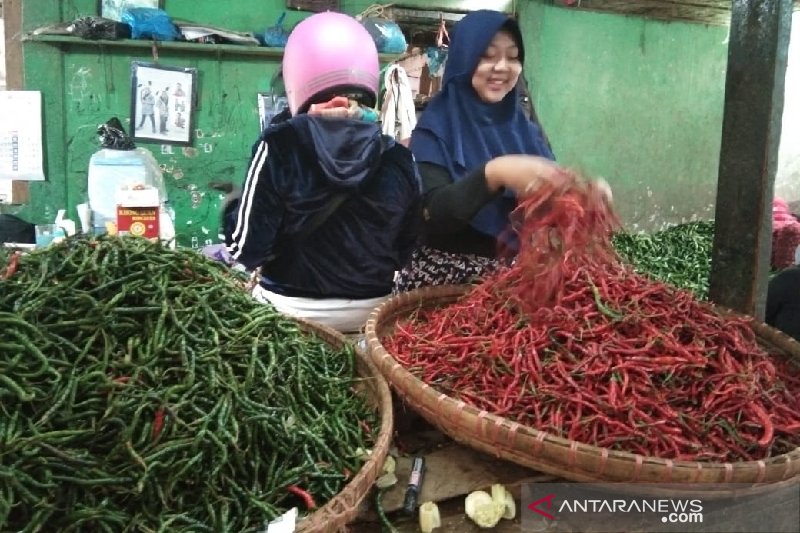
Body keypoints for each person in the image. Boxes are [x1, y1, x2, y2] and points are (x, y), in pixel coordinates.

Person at [224, 12, 422, 333]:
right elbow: (405, 249)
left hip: (290, 314)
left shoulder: (279, 145)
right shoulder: (399, 158)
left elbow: (248, 251)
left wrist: (232, 210)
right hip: (372, 318)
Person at [394, 10, 588, 292]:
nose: (502, 67)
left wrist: (579, 196)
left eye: (513, 56)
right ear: (465, 58)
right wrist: (495, 173)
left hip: (516, 284)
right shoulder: (436, 127)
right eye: (487, 55)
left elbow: (549, 206)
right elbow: (434, 215)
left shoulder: (525, 130)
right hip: (444, 287)